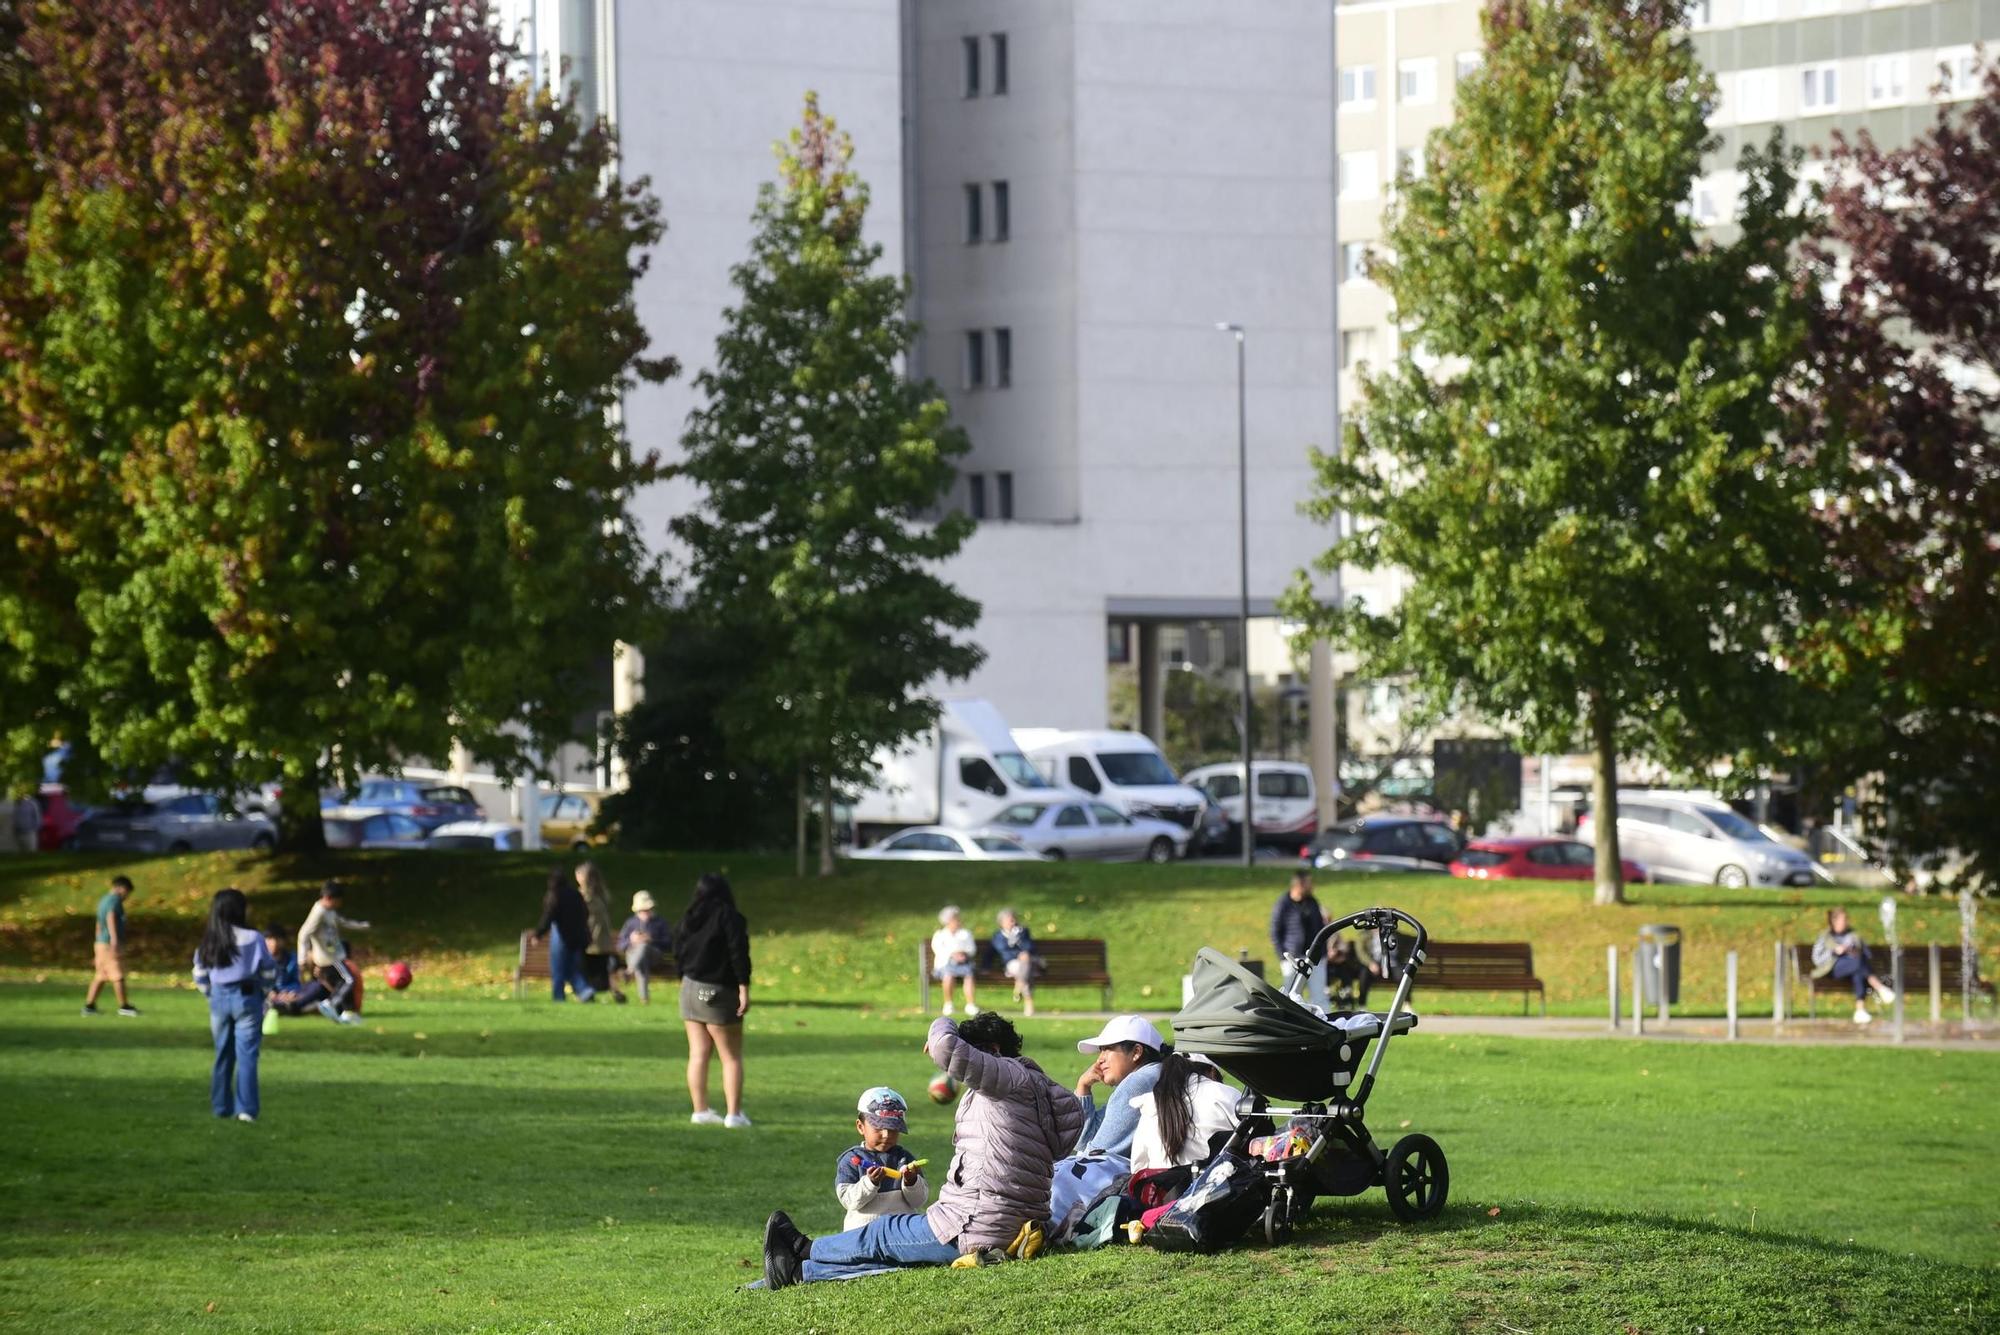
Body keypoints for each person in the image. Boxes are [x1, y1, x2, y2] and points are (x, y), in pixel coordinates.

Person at [760, 1012, 1083, 1288]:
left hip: (978, 1224)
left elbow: (944, 1046)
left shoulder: (1007, 1077)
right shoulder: (1037, 1088)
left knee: (883, 1233)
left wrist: (944, 1024)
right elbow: (1064, 1139)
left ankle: (802, 1248)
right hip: (1016, 1223)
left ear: (991, 1051)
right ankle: (799, 1271)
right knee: (896, 1254)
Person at [675, 873, 752, 1128]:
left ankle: (700, 1111)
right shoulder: (730, 917)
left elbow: (678, 949)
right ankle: (734, 1114)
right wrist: (743, 986)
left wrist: (682, 977)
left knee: (697, 1053)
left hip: (690, 988)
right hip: (719, 991)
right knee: (731, 1056)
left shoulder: (690, 917)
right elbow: (738, 952)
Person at [193, 887, 276, 1122]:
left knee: (223, 1054)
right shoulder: (253, 938)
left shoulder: (210, 939)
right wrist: (264, 992)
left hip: (218, 998)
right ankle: (246, 1110)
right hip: (247, 996)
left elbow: (199, 973)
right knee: (247, 1055)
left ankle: (221, 1107)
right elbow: (269, 970)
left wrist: (210, 994)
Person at [1070, 1015, 1174, 1156]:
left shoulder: (1137, 1083)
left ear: (1136, 1052)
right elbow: (1085, 1140)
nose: (1100, 1059)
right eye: (1101, 1050)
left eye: (1108, 1049)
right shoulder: (1156, 1074)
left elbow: (1095, 1155)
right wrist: (1083, 1087)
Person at [1128, 1050, 1240, 1173]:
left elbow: (1138, 1169)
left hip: (1162, 1184)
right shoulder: (1224, 1094)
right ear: (1213, 1072)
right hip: (1220, 1181)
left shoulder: (1150, 1103)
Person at [834, 1087, 928, 1230]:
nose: (886, 1135)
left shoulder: (904, 1158)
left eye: (893, 1129)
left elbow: (918, 1201)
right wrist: (870, 1182)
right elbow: (848, 1201)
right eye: (878, 1128)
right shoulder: (852, 1159)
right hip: (863, 1234)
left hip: (901, 1233)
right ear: (860, 1126)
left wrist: (911, 1182)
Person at [298, 880, 369, 1023]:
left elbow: (342, 922)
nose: (339, 904)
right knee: (348, 980)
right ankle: (330, 1003)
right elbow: (303, 934)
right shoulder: (318, 912)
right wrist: (302, 958)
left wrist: (362, 926)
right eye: (338, 901)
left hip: (335, 955)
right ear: (328, 898)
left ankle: (348, 1013)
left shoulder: (329, 911)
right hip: (328, 958)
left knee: (343, 983)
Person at [1813, 907, 1897, 1025]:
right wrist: (1834, 952)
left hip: (1855, 968)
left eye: (1846, 919)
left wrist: (1855, 950)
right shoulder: (1825, 936)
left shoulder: (1853, 935)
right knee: (1858, 964)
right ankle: (1880, 988)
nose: (1846, 922)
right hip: (1832, 969)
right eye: (1843, 920)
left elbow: (1867, 954)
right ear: (1834, 921)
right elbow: (1816, 958)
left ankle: (1860, 1011)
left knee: (1858, 972)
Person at [531, 867, 595, 1003]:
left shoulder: (555, 895)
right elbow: (586, 913)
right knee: (573, 968)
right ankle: (585, 990)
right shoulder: (576, 895)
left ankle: (559, 997)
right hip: (578, 937)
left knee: (558, 969)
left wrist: (538, 934)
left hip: (561, 937)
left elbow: (548, 916)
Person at [1270, 871, 1329, 1011]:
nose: (1312, 886)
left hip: (1314, 957)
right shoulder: (1283, 904)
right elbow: (1275, 932)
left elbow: (1320, 928)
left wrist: (1323, 951)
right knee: (1290, 996)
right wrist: (1282, 956)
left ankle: (1324, 1021)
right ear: (1300, 884)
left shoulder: (1312, 902)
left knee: (1319, 996)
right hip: (1293, 957)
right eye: (1309, 883)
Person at [83, 875, 140, 1017]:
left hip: (100, 943)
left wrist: (97, 941)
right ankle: (124, 1006)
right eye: (127, 892)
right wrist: (114, 940)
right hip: (108, 943)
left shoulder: (103, 900)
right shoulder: (114, 900)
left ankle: (89, 1006)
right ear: (120, 888)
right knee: (117, 975)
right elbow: (111, 917)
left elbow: (98, 924)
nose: (126, 896)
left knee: (101, 976)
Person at [576, 861, 627, 1005]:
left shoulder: (586, 896)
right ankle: (614, 991)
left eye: (578, 874)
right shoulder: (601, 894)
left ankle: (588, 993)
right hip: (602, 940)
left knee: (588, 968)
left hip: (591, 939)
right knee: (601, 968)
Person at [261, 925, 331, 1021]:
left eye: (277, 939)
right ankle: (286, 1007)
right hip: (269, 995)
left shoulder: (292, 958)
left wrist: (290, 992)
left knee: (316, 986)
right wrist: (270, 992)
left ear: (283, 941)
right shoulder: (260, 960)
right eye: (269, 939)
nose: (274, 943)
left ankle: (288, 1006)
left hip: (292, 995)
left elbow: (297, 981)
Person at [617, 891, 673, 1004]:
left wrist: (651, 940)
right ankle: (644, 999)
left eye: (648, 909)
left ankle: (629, 971)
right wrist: (631, 941)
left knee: (643, 946)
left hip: (655, 955)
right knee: (641, 962)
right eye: (643, 910)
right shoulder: (630, 923)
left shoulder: (660, 922)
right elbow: (620, 945)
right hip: (633, 955)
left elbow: (669, 943)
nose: (646, 912)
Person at [985, 908, 1041, 1018]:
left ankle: (1019, 986)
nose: (1013, 922)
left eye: (1014, 919)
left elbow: (1030, 947)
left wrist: (1024, 950)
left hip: (1027, 963)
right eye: (1010, 920)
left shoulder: (1023, 932)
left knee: (1025, 967)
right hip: (1011, 963)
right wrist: (1019, 955)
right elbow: (1003, 950)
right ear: (1002, 923)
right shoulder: (998, 936)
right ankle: (1028, 1001)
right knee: (1025, 969)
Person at [931, 905, 978, 1017]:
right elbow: (938, 950)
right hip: (945, 965)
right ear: (947, 921)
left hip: (963, 963)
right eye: (955, 918)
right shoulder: (940, 934)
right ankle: (948, 1004)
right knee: (948, 975)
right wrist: (952, 954)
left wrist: (963, 953)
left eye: (957, 918)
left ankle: (970, 1005)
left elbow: (972, 949)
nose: (958, 920)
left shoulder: (965, 933)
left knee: (969, 976)